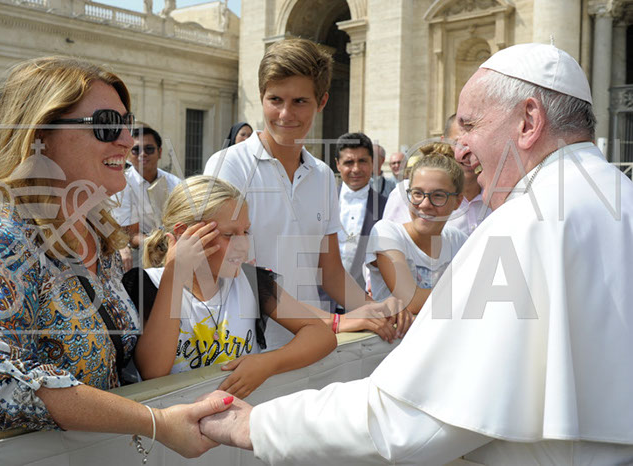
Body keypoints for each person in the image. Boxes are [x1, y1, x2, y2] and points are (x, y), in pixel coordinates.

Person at [197, 43, 633, 464]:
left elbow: (415, 418)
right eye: (275, 99)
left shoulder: (526, 220)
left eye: (470, 125)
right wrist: (339, 320)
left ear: (529, 121)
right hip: (256, 345)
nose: (459, 149)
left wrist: (258, 426)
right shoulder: (618, 193)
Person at [0, 56, 233, 460]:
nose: (127, 141)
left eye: (126, 124)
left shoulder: (99, 233)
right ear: (40, 134)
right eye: (106, 125)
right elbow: (3, 385)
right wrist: (154, 422)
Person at [204, 38, 402, 349]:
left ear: (322, 102)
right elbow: (234, 270)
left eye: (299, 101)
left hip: (310, 346)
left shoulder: (322, 175)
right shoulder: (228, 166)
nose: (285, 114)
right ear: (261, 96)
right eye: (275, 99)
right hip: (248, 348)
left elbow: (330, 271)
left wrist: (376, 310)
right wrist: (332, 322)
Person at [123, 176, 336, 399]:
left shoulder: (251, 281)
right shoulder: (148, 285)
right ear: (184, 234)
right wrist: (174, 276)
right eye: (229, 235)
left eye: (246, 232)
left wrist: (268, 362)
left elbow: (321, 335)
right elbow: (153, 371)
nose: (243, 244)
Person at [366, 153, 466, 322]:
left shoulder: (458, 241)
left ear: (458, 201)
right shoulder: (387, 233)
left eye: (438, 196)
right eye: (418, 193)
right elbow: (410, 300)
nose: (425, 204)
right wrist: (467, 294)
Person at [383, 118, 492, 236]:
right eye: (458, 143)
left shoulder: (498, 198)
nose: (467, 152)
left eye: (475, 143)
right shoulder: (406, 193)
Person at [113, 124, 180, 270]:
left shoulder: (175, 183)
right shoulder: (122, 184)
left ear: (159, 152)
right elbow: (132, 236)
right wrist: (160, 244)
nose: (143, 154)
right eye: (136, 150)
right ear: (129, 154)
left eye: (149, 149)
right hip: (140, 253)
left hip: (173, 247)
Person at [333, 132, 387, 296]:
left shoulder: (386, 207)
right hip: (323, 301)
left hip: (366, 300)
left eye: (362, 161)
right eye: (349, 162)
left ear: (372, 163)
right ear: (338, 165)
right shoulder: (321, 203)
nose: (356, 169)